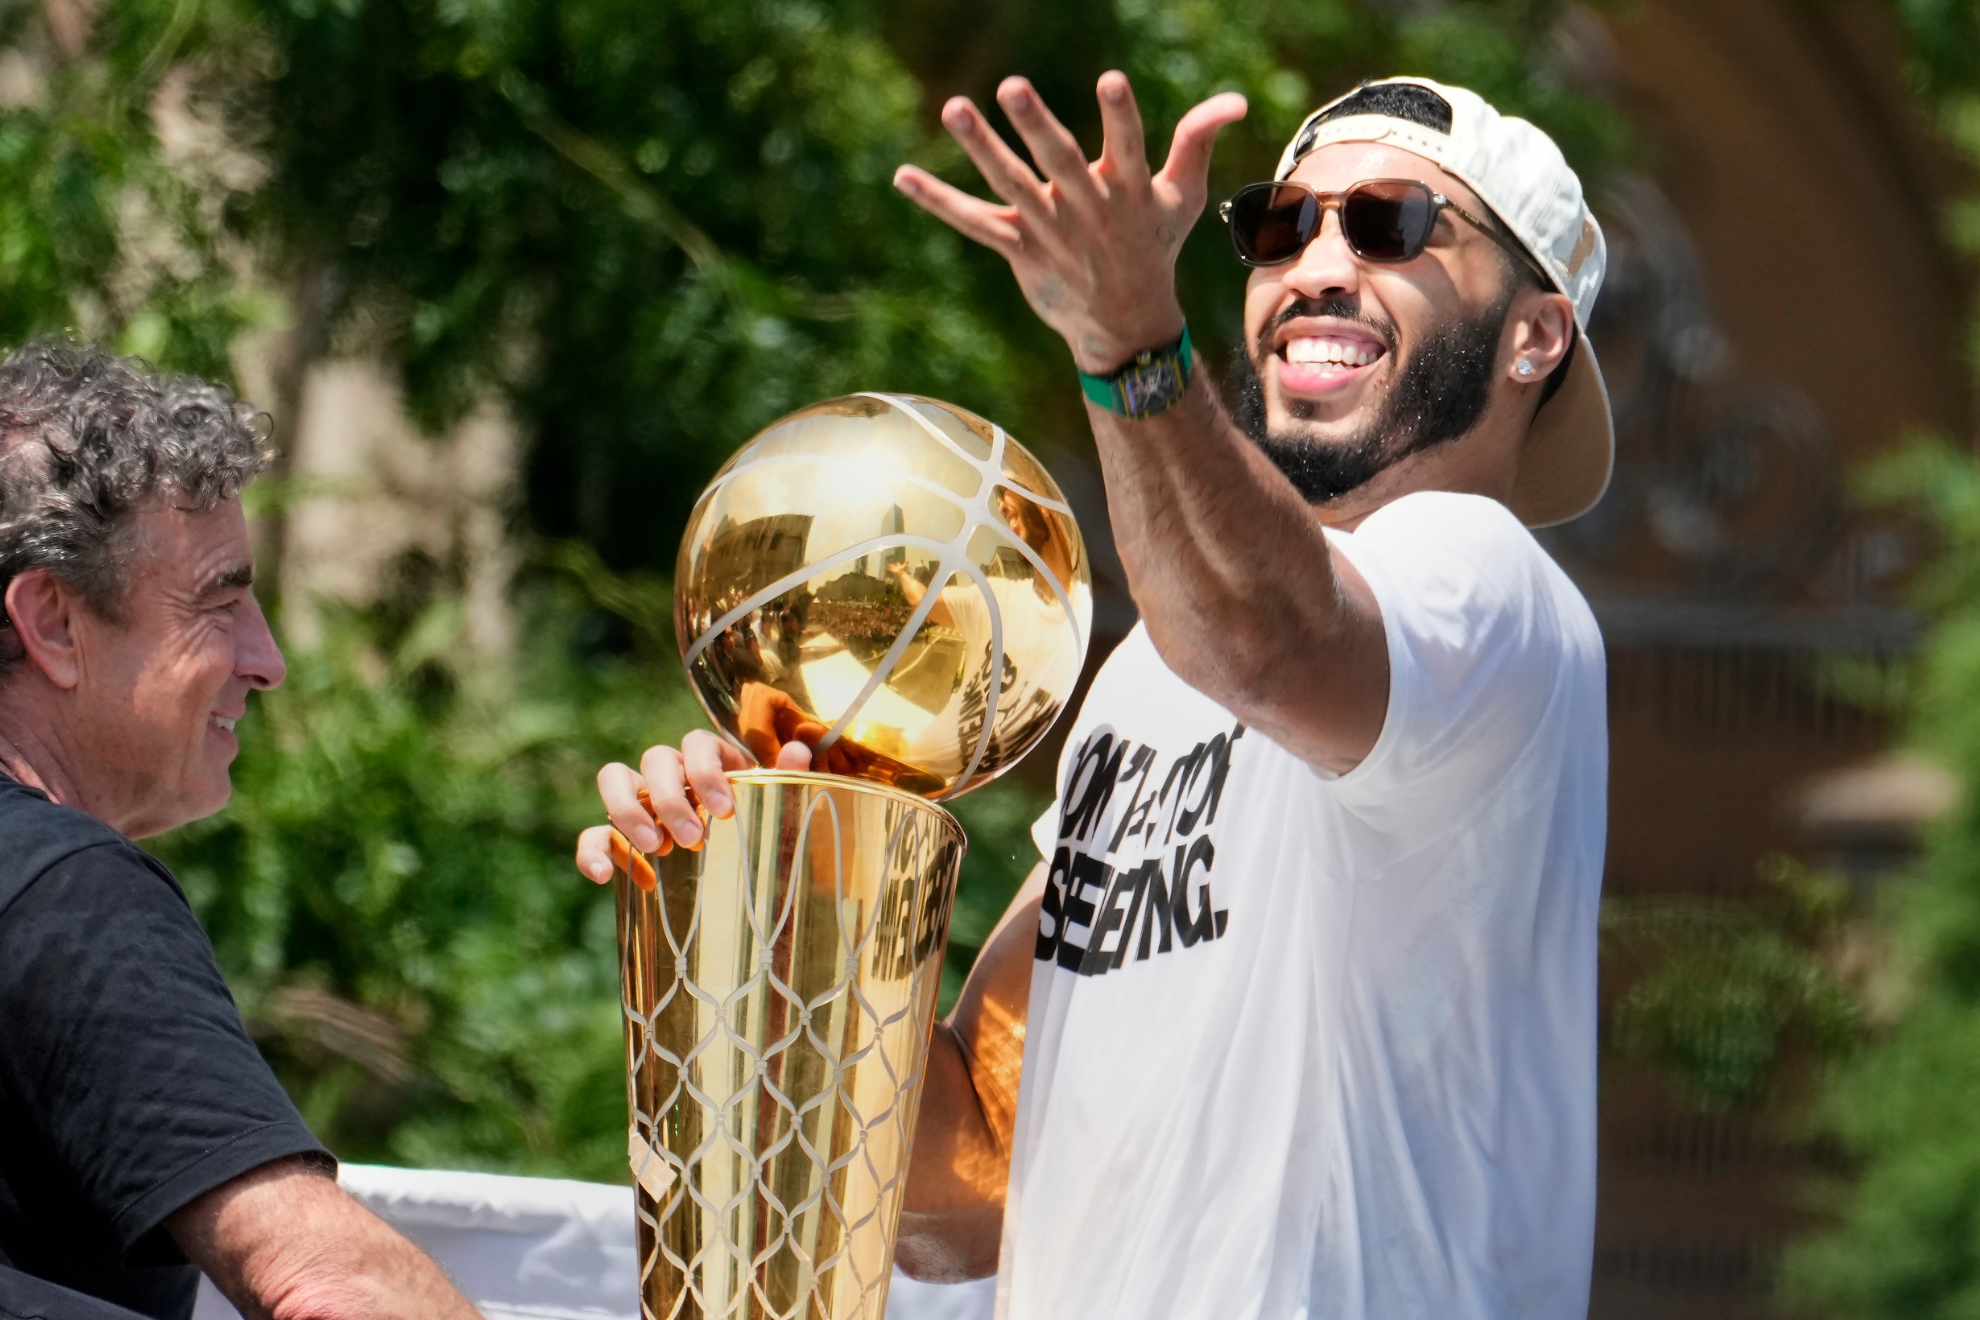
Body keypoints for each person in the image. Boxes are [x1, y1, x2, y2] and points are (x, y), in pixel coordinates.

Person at [580, 73, 1610, 1320]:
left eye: (1389, 224)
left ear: (1534, 336)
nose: (1316, 265)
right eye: (1280, 227)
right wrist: (783, 890)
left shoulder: (1487, 579)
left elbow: (1272, 637)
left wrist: (1128, 346)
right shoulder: (1149, 680)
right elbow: (968, 1197)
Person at [0, 340, 481, 1320]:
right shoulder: (65, 892)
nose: (267, 661)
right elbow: (336, 1290)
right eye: (220, 598)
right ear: (51, 622)